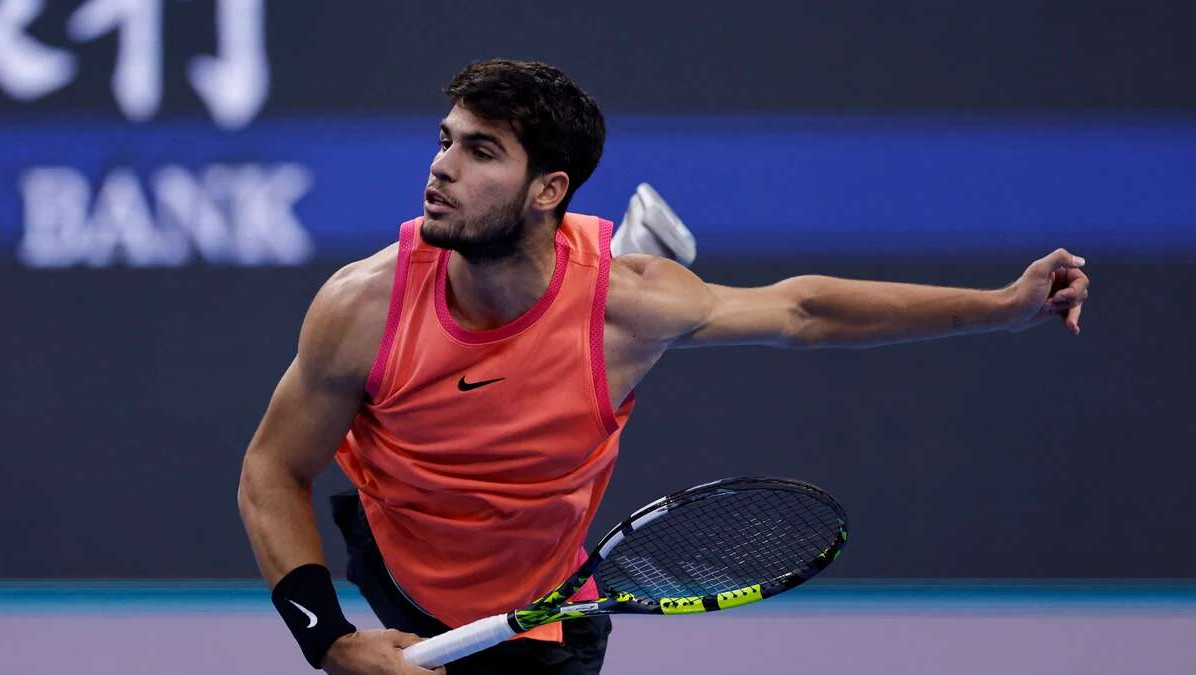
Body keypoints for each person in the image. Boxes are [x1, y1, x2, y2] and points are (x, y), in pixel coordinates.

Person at [237, 59, 1089, 675]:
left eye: (481, 152)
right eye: (447, 140)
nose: (442, 166)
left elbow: (803, 309)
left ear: (549, 188)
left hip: (545, 603)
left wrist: (999, 305)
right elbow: (273, 468)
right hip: (394, 561)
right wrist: (330, 639)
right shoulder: (364, 304)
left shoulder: (632, 306)